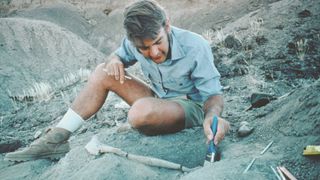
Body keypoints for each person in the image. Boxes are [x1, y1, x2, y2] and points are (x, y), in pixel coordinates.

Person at [5, 0, 230, 162]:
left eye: (158, 42)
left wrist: (212, 118)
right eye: (144, 48)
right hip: (160, 99)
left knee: (140, 113)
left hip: (192, 106)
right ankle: (56, 138)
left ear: (167, 26)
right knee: (104, 71)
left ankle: (150, 118)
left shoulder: (195, 45)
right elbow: (117, 56)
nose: (154, 53)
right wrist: (114, 60)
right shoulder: (133, 42)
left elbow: (213, 95)